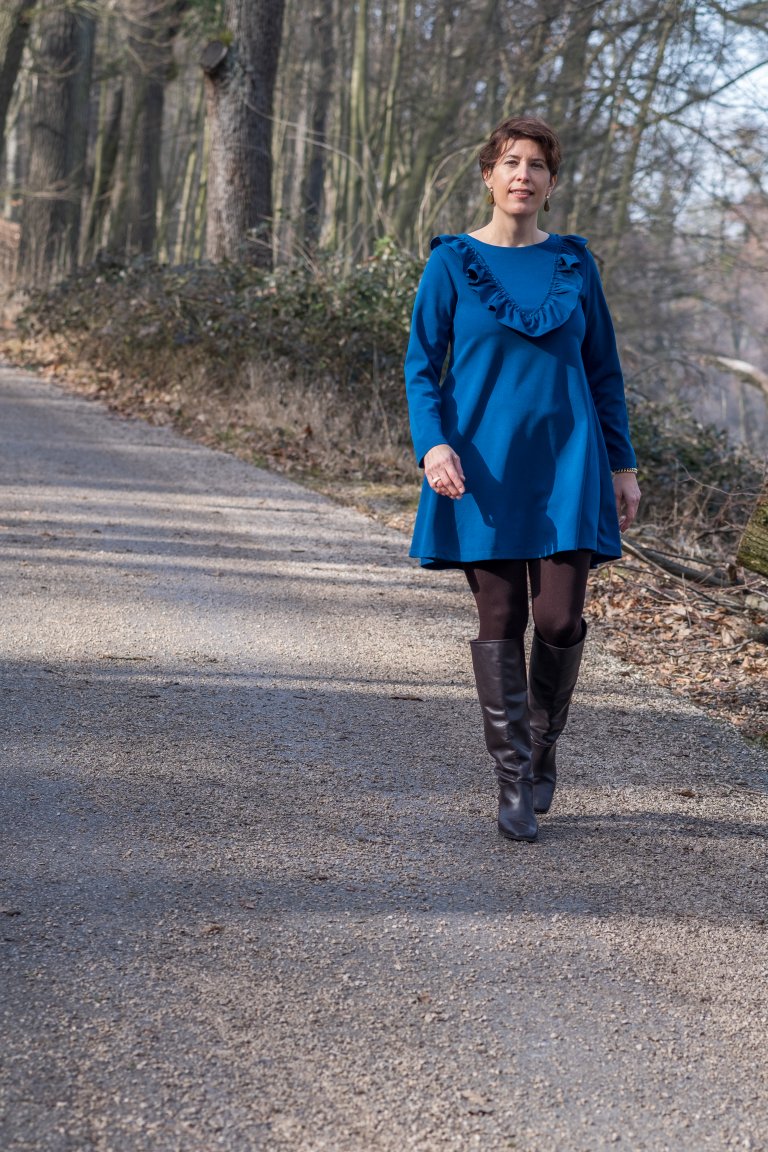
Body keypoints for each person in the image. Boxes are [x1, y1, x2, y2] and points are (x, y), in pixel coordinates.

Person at [404, 115, 641, 843]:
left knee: (563, 620)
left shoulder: (576, 264)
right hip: (482, 467)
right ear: (487, 174)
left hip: (571, 464)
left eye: (537, 165)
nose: (523, 175)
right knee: (501, 621)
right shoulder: (451, 264)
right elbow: (421, 367)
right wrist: (433, 446)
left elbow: (603, 370)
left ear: (551, 182)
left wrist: (623, 463)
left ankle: (541, 743)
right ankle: (512, 781)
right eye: (511, 162)